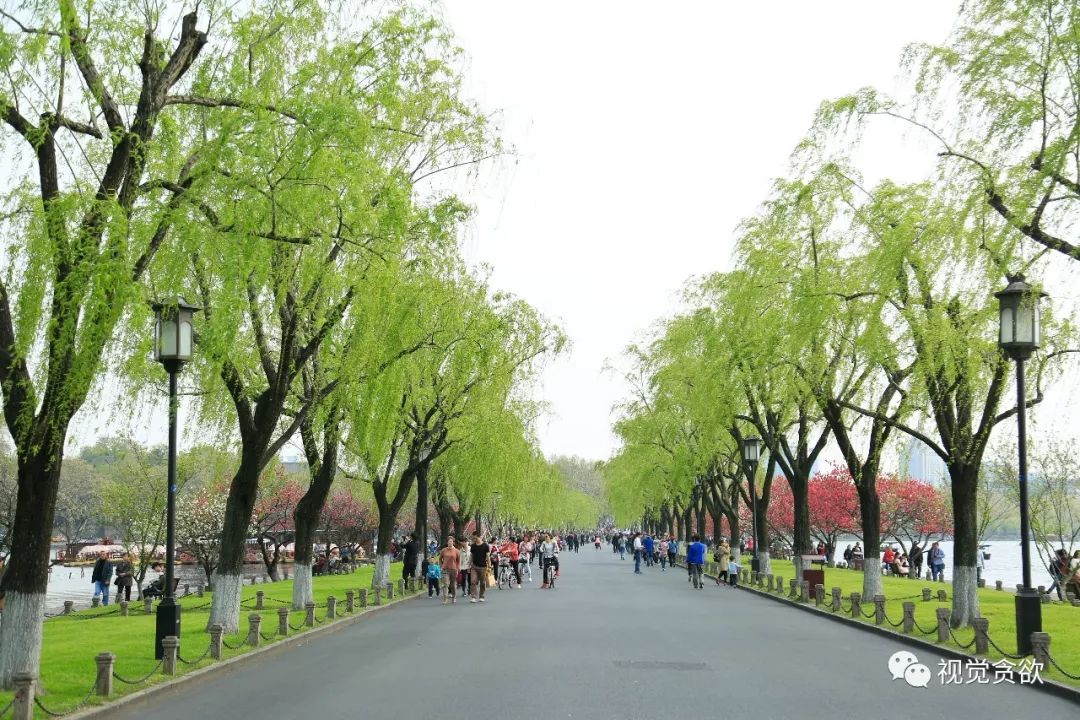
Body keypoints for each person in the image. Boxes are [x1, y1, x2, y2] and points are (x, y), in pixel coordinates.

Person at [469, 534, 490, 603]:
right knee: (473, 581)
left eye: (476, 538)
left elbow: (487, 556)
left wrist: (489, 564)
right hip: (474, 566)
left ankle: (481, 596)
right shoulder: (473, 546)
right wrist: (470, 563)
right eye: (474, 538)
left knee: (482, 582)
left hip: (483, 566)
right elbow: (471, 555)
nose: (474, 539)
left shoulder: (485, 546)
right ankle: (473, 597)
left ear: (480, 537)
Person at [439, 539, 460, 604]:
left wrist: (458, 568)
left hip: (453, 569)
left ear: (453, 543)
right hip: (445, 569)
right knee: (445, 584)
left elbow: (458, 561)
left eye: (451, 541)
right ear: (447, 542)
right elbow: (440, 559)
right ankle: (445, 599)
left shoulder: (457, 551)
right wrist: (441, 566)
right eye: (449, 541)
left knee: (453, 585)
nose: (450, 543)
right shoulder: (444, 550)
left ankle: (454, 597)